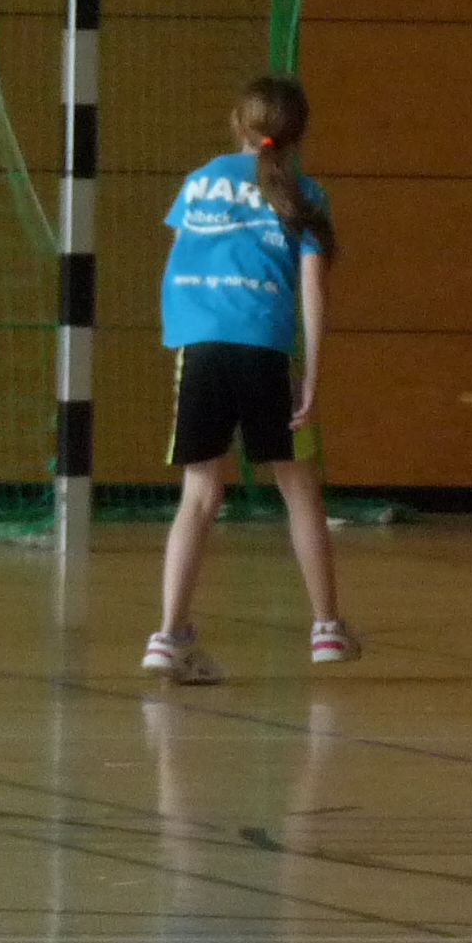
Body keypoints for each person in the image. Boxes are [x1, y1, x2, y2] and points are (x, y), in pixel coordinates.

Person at [142, 74, 359, 683]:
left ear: (236, 124)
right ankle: (327, 628)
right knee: (299, 489)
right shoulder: (306, 195)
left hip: (201, 348)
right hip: (264, 349)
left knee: (199, 495)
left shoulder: (199, 181)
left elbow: (179, 258)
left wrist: (186, 331)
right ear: (300, 135)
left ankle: (169, 636)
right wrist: (311, 374)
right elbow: (313, 290)